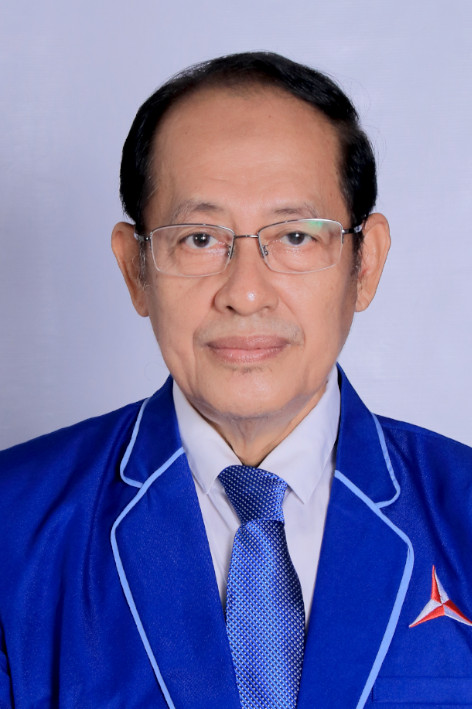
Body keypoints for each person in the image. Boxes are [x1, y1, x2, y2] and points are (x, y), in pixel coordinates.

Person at [0, 51, 471, 709]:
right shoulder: (14, 527)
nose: (246, 293)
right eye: (198, 238)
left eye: (297, 236)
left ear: (365, 264)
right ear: (136, 269)